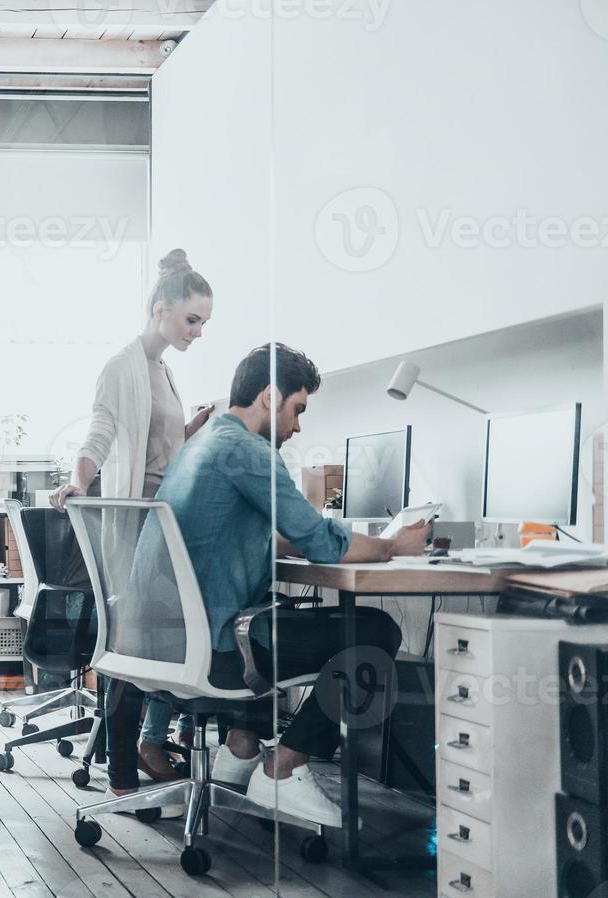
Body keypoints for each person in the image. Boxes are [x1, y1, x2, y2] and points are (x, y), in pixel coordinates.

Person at [148, 343, 426, 827]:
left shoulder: (203, 444)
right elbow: (322, 541)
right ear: (271, 397)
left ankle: (239, 752)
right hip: (215, 649)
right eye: (298, 409)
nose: (298, 426)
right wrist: (393, 545)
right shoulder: (248, 451)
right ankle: (284, 767)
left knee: (270, 611)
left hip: (167, 642)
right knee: (375, 631)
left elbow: (249, 532)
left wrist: (302, 539)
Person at [49, 248, 215, 806]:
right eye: (191, 319)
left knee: (161, 638)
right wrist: (79, 479)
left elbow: (162, 449)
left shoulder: (164, 368)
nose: (198, 331)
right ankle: (124, 772)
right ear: (158, 308)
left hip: (165, 523)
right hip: (136, 524)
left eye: (203, 323)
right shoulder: (123, 365)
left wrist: (193, 428)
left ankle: (149, 747)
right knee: (128, 642)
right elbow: (100, 430)